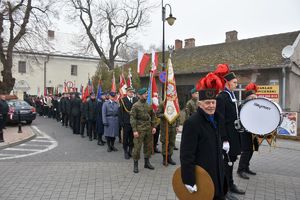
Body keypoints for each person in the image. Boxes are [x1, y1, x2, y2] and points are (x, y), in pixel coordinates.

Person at [180, 73, 225, 199]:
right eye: (207, 103)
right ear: (200, 104)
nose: (211, 106)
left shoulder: (217, 118)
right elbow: (186, 155)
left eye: (213, 102)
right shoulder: (192, 123)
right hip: (202, 174)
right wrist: (188, 180)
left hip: (217, 173)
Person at [216, 69, 245, 196]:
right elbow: (221, 120)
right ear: (227, 83)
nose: (236, 85)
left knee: (231, 161)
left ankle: (231, 184)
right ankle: (225, 188)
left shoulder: (231, 95)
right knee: (226, 163)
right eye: (234, 82)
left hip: (234, 134)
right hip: (227, 136)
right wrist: (224, 139)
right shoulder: (222, 97)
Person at [130, 88, 156, 173]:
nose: (147, 95)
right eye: (145, 94)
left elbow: (153, 116)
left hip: (148, 129)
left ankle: (147, 163)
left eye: (147, 93)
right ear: (140, 95)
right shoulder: (135, 105)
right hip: (139, 129)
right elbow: (133, 118)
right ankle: (135, 164)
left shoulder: (149, 105)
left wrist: (153, 127)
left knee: (148, 146)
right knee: (137, 147)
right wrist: (134, 130)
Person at [237, 83, 259, 179]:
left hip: (253, 131)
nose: (254, 98)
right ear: (248, 97)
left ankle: (246, 167)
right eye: (252, 97)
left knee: (252, 150)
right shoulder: (243, 105)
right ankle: (240, 170)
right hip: (244, 131)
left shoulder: (255, 105)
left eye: (255, 97)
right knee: (246, 150)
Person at [157, 102, 180, 166]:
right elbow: (158, 114)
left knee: (172, 142)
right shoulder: (162, 104)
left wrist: (177, 125)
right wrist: (165, 115)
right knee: (165, 142)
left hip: (173, 126)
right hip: (165, 127)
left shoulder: (175, 103)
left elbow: (177, 114)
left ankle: (169, 157)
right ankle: (165, 158)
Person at [119, 87, 138, 159]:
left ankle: (130, 150)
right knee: (125, 138)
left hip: (134, 123)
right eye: (130, 92)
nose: (131, 93)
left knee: (132, 138)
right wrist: (121, 122)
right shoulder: (123, 100)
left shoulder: (136, 100)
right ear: (127, 92)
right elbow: (120, 112)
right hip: (126, 122)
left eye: (132, 92)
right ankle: (125, 151)